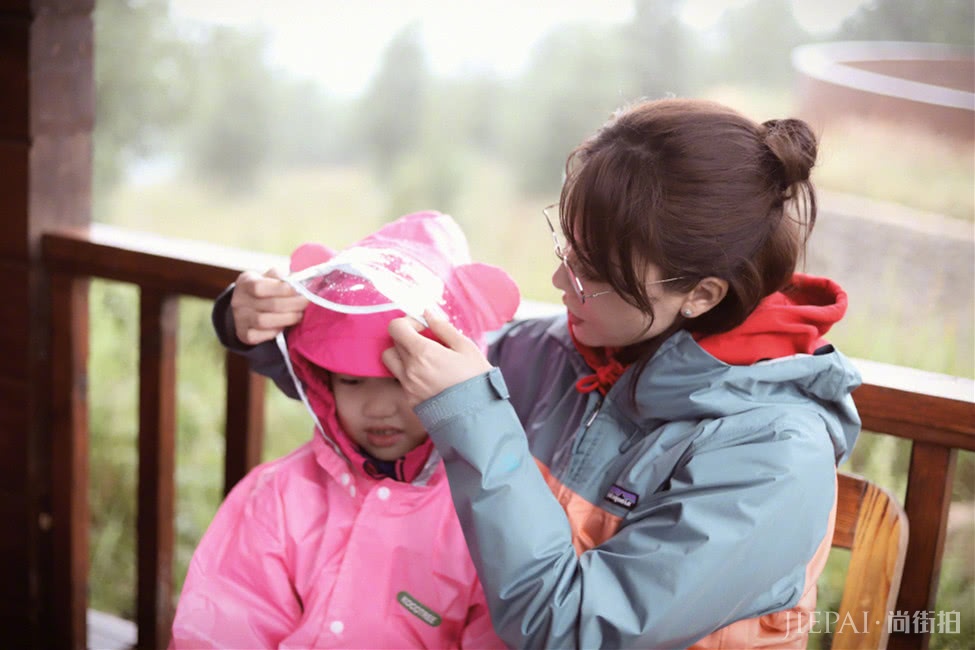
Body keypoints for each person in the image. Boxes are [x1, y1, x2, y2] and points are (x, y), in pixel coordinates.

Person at [215, 98, 862, 649]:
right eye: (565, 251)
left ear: (699, 295)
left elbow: (570, 627)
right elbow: (386, 378)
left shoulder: (773, 456)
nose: (558, 284)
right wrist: (261, 324)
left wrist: (473, 417)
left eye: (592, 276)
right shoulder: (554, 354)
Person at [170, 211, 518, 649]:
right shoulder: (278, 496)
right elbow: (223, 630)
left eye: (401, 379)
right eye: (351, 380)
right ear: (321, 380)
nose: (377, 408)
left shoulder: (486, 520)